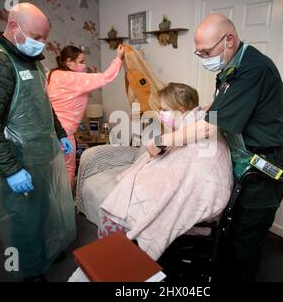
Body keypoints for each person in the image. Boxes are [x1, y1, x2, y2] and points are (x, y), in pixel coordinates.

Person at [146, 14, 283, 281]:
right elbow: (221, 107)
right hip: (241, 161)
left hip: (263, 166)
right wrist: (203, 109)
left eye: (206, 51)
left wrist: (162, 140)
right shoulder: (230, 67)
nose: (203, 58)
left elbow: (210, 128)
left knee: (245, 242)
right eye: (198, 52)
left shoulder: (253, 69)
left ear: (229, 41)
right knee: (229, 232)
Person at [0, 3, 76, 281]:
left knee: (46, 205)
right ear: (14, 26)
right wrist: (11, 170)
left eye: (43, 38)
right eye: (36, 37)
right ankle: (31, 267)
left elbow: (43, 103)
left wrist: (60, 134)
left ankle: (48, 247)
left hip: (42, 151)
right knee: (25, 216)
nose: (41, 44)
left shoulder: (31, 59)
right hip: (16, 156)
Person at [99, 83, 233, 260]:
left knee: (116, 215)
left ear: (180, 109)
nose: (160, 114)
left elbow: (188, 174)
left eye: (164, 109)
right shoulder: (190, 127)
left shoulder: (200, 130)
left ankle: (115, 263)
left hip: (198, 199)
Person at [47, 44, 125, 187]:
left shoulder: (51, 74)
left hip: (47, 131)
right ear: (69, 61)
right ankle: (66, 205)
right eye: (81, 62)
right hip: (64, 134)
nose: (84, 65)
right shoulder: (75, 78)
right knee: (68, 170)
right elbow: (106, 77)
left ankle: (51, 204)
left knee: (50, 171)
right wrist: (118, 58)